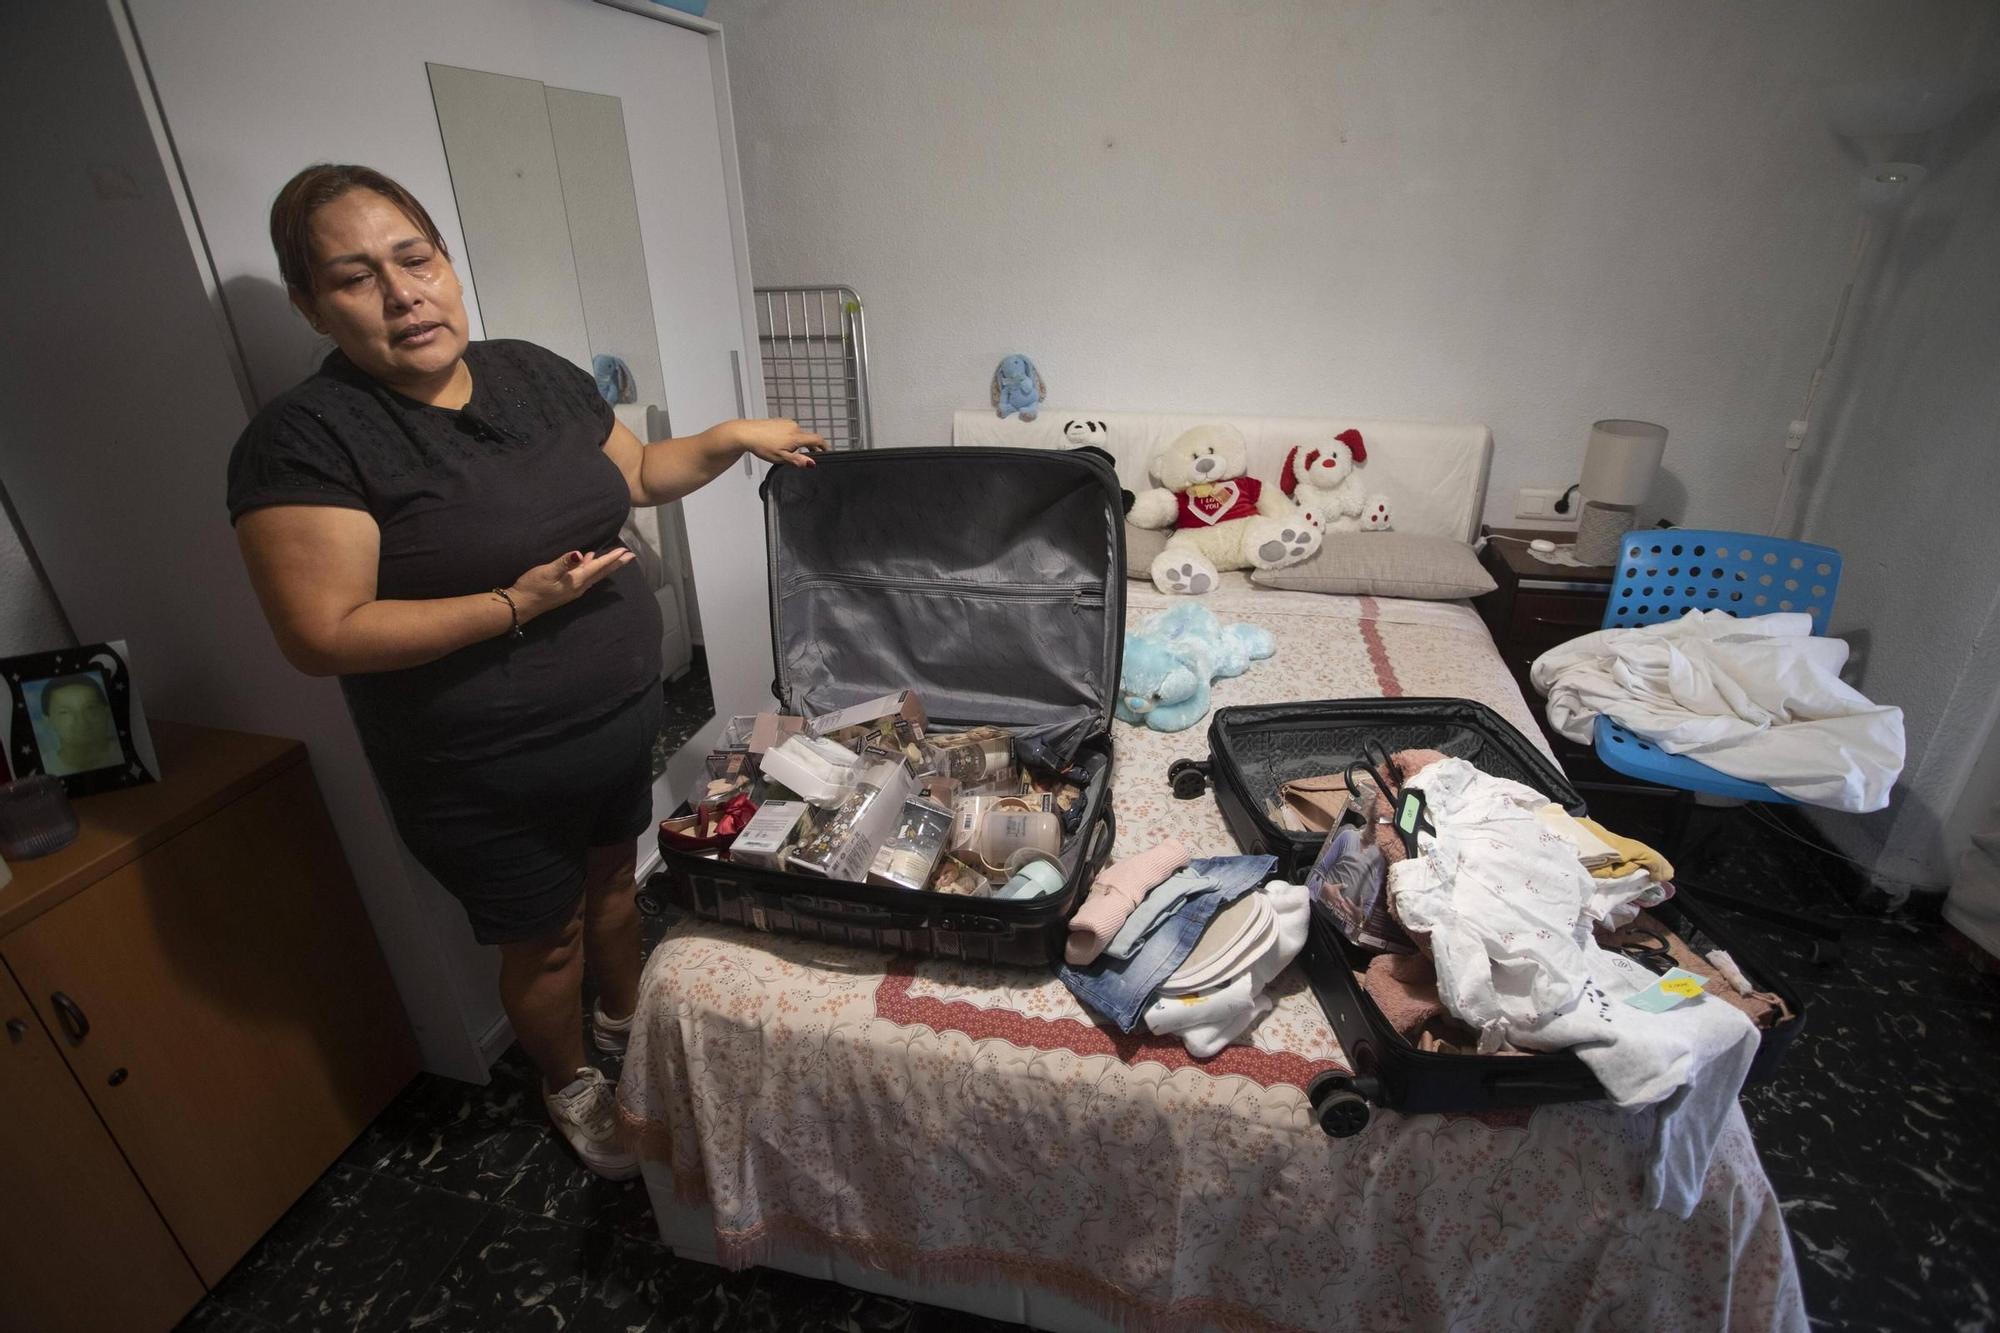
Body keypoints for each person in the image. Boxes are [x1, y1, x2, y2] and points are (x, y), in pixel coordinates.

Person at [227, 164, 822, 1179]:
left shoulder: (531, 373)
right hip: (479, 764)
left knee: (616, 884)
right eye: (357, 277)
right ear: (311, 306)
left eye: (415, 259)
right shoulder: (305, 440)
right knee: (544, 939)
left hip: (616, 716)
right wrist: (513, 606)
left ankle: (629, 1024)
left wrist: (731, 437)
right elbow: (323, 632)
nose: (403, 294)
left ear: (446, 264)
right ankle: (568, 1080)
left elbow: (639, 473)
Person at [38, 674, 124, 775]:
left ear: (106, 712)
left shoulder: (125, 752)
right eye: (65, 712)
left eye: (90, 708)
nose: (81, 721)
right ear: (48, 721)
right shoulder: (43, 769)